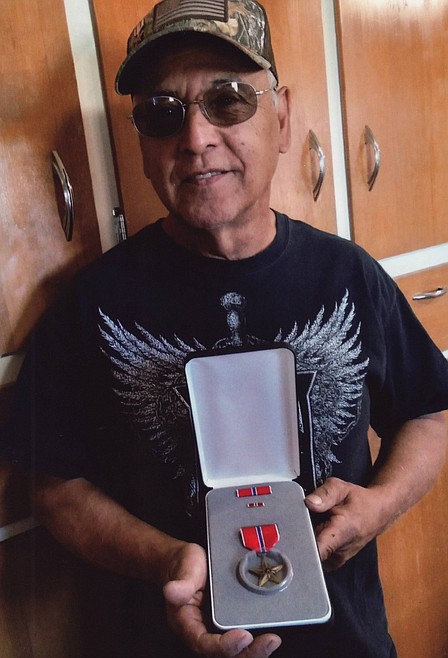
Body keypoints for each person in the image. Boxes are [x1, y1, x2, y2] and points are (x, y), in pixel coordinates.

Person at [2, 0, 448, 656]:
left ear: (283, 117)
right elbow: (53, 485)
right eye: (162, 113)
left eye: (229, 100)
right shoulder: (92, 304)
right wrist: (166, 558)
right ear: (143, 145)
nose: (196, 138)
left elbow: (430, 412)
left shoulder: (349, 276)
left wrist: (380, 504)